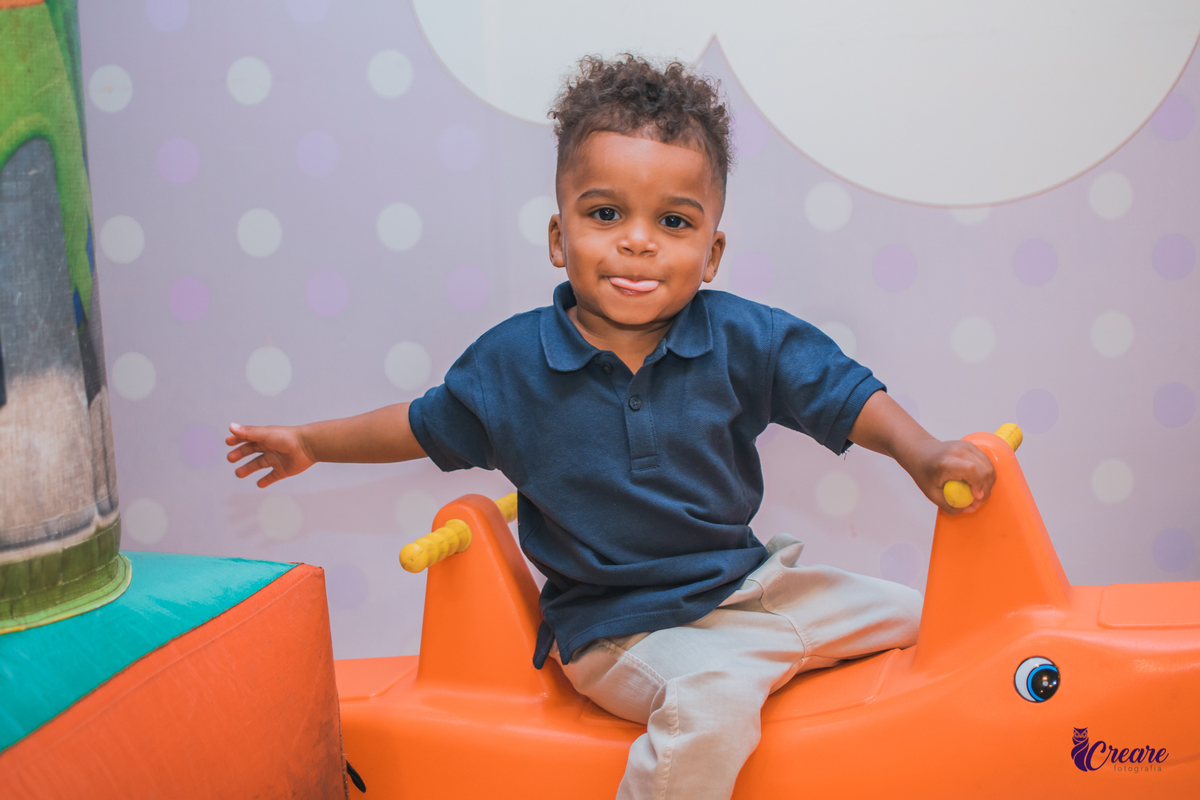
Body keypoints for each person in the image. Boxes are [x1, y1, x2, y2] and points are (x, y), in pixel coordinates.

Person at [227, 55, 995, 800]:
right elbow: (417, 425)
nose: (637, 241)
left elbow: (841, 393)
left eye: (673, 221)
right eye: (605, 214)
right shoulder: (512, 366)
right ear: (559, 238)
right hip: (617, 629)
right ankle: (736, 686)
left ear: (711, 253)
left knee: (925, 617)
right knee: (712, 702)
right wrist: (310, 443)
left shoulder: (743, 337)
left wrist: (921, 452)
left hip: (748, 589)